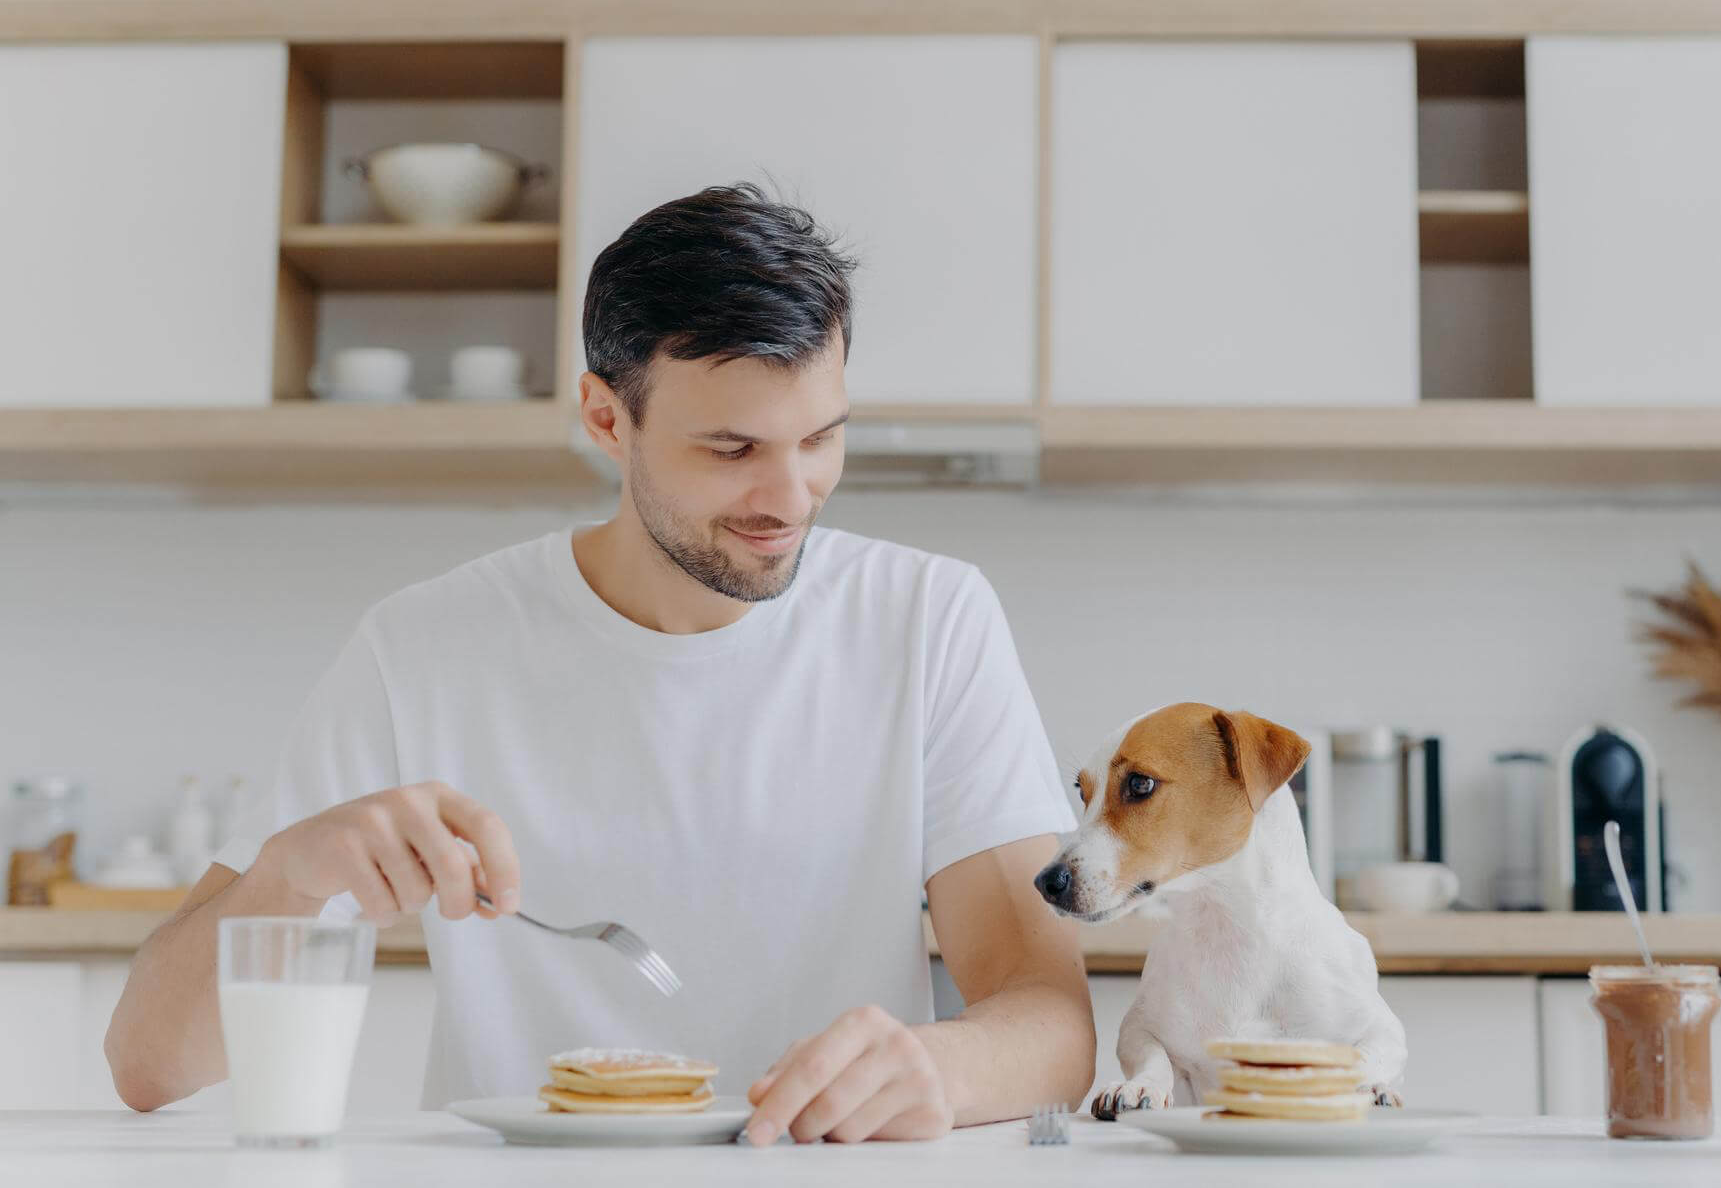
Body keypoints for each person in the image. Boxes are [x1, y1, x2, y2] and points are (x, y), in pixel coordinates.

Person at [104, 183, 1094, 1145]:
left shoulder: (926, 619)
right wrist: (285, 875)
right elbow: (147, 1063)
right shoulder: (421, 649)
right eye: (731, 446)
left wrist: (940, 1070)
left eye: (821, 438)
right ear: (604, 418)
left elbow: (1046, 1016)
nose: (789, 497)